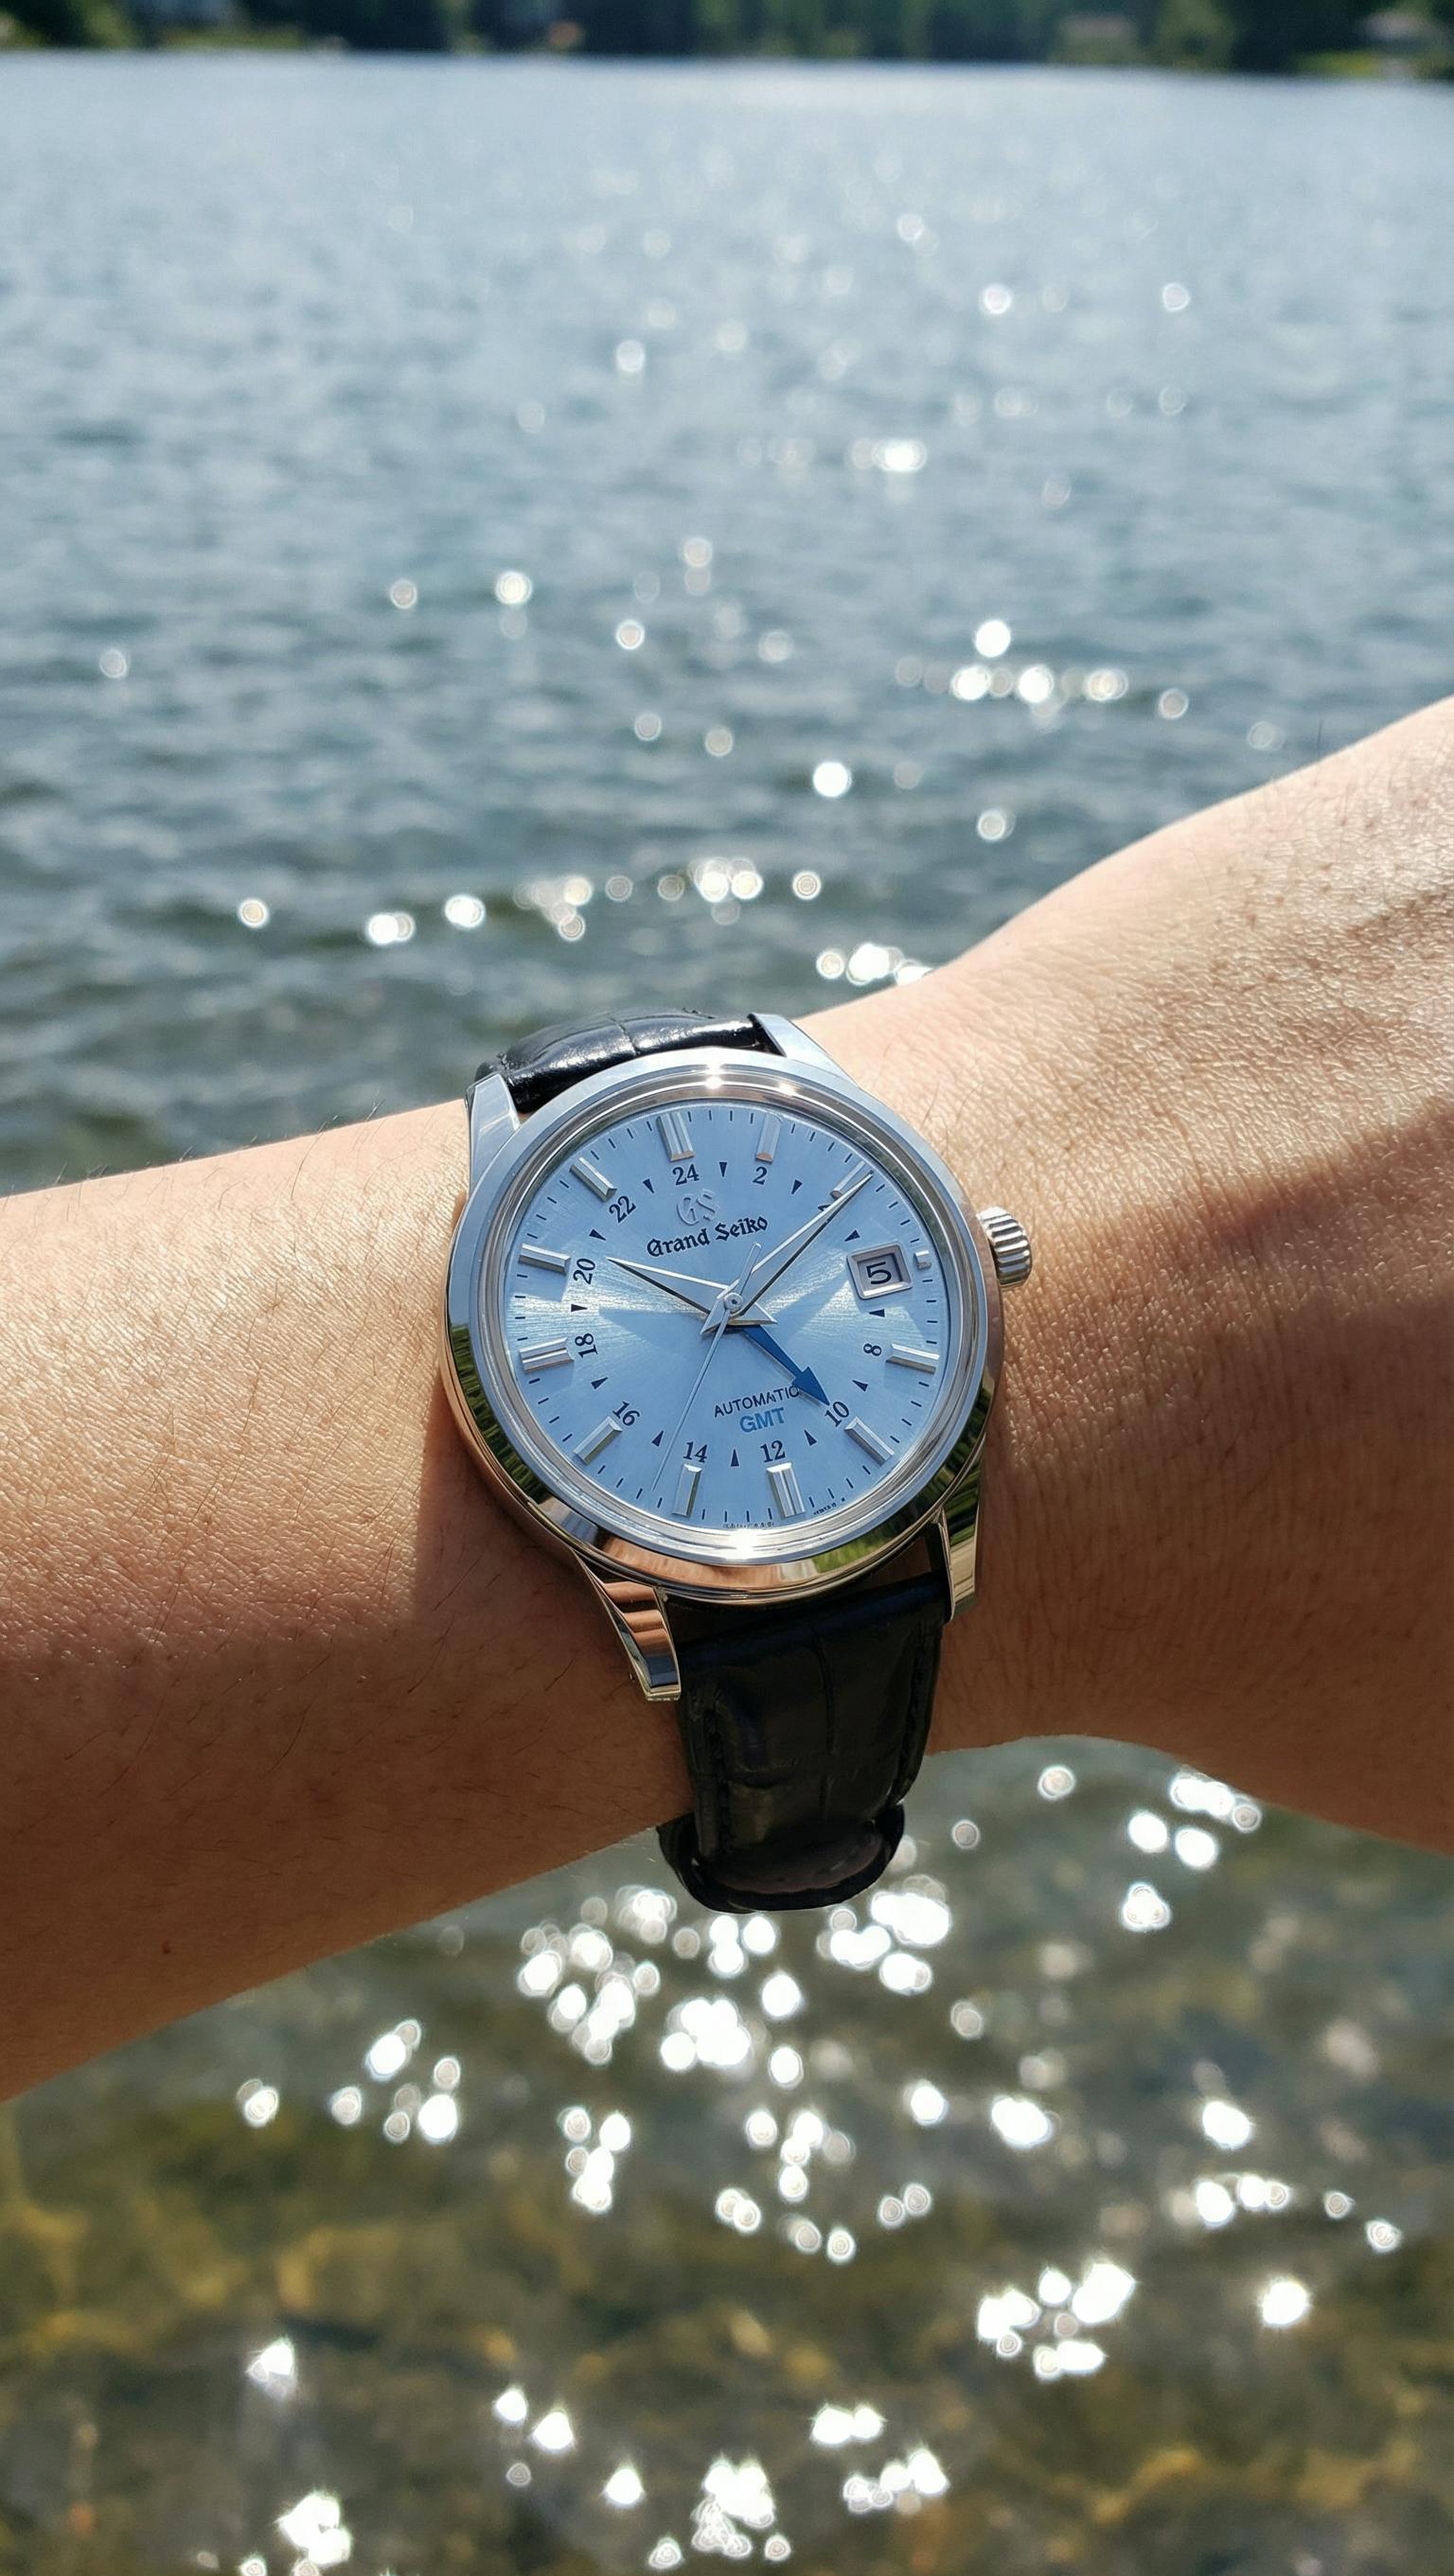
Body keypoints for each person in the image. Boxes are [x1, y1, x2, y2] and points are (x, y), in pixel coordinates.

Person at [1, 700, 1449, 2102]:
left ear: (982, 1250)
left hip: (857, 1493)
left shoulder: (922, 1341)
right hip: (690, 1541)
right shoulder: (603, 1516)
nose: (739, 1308)